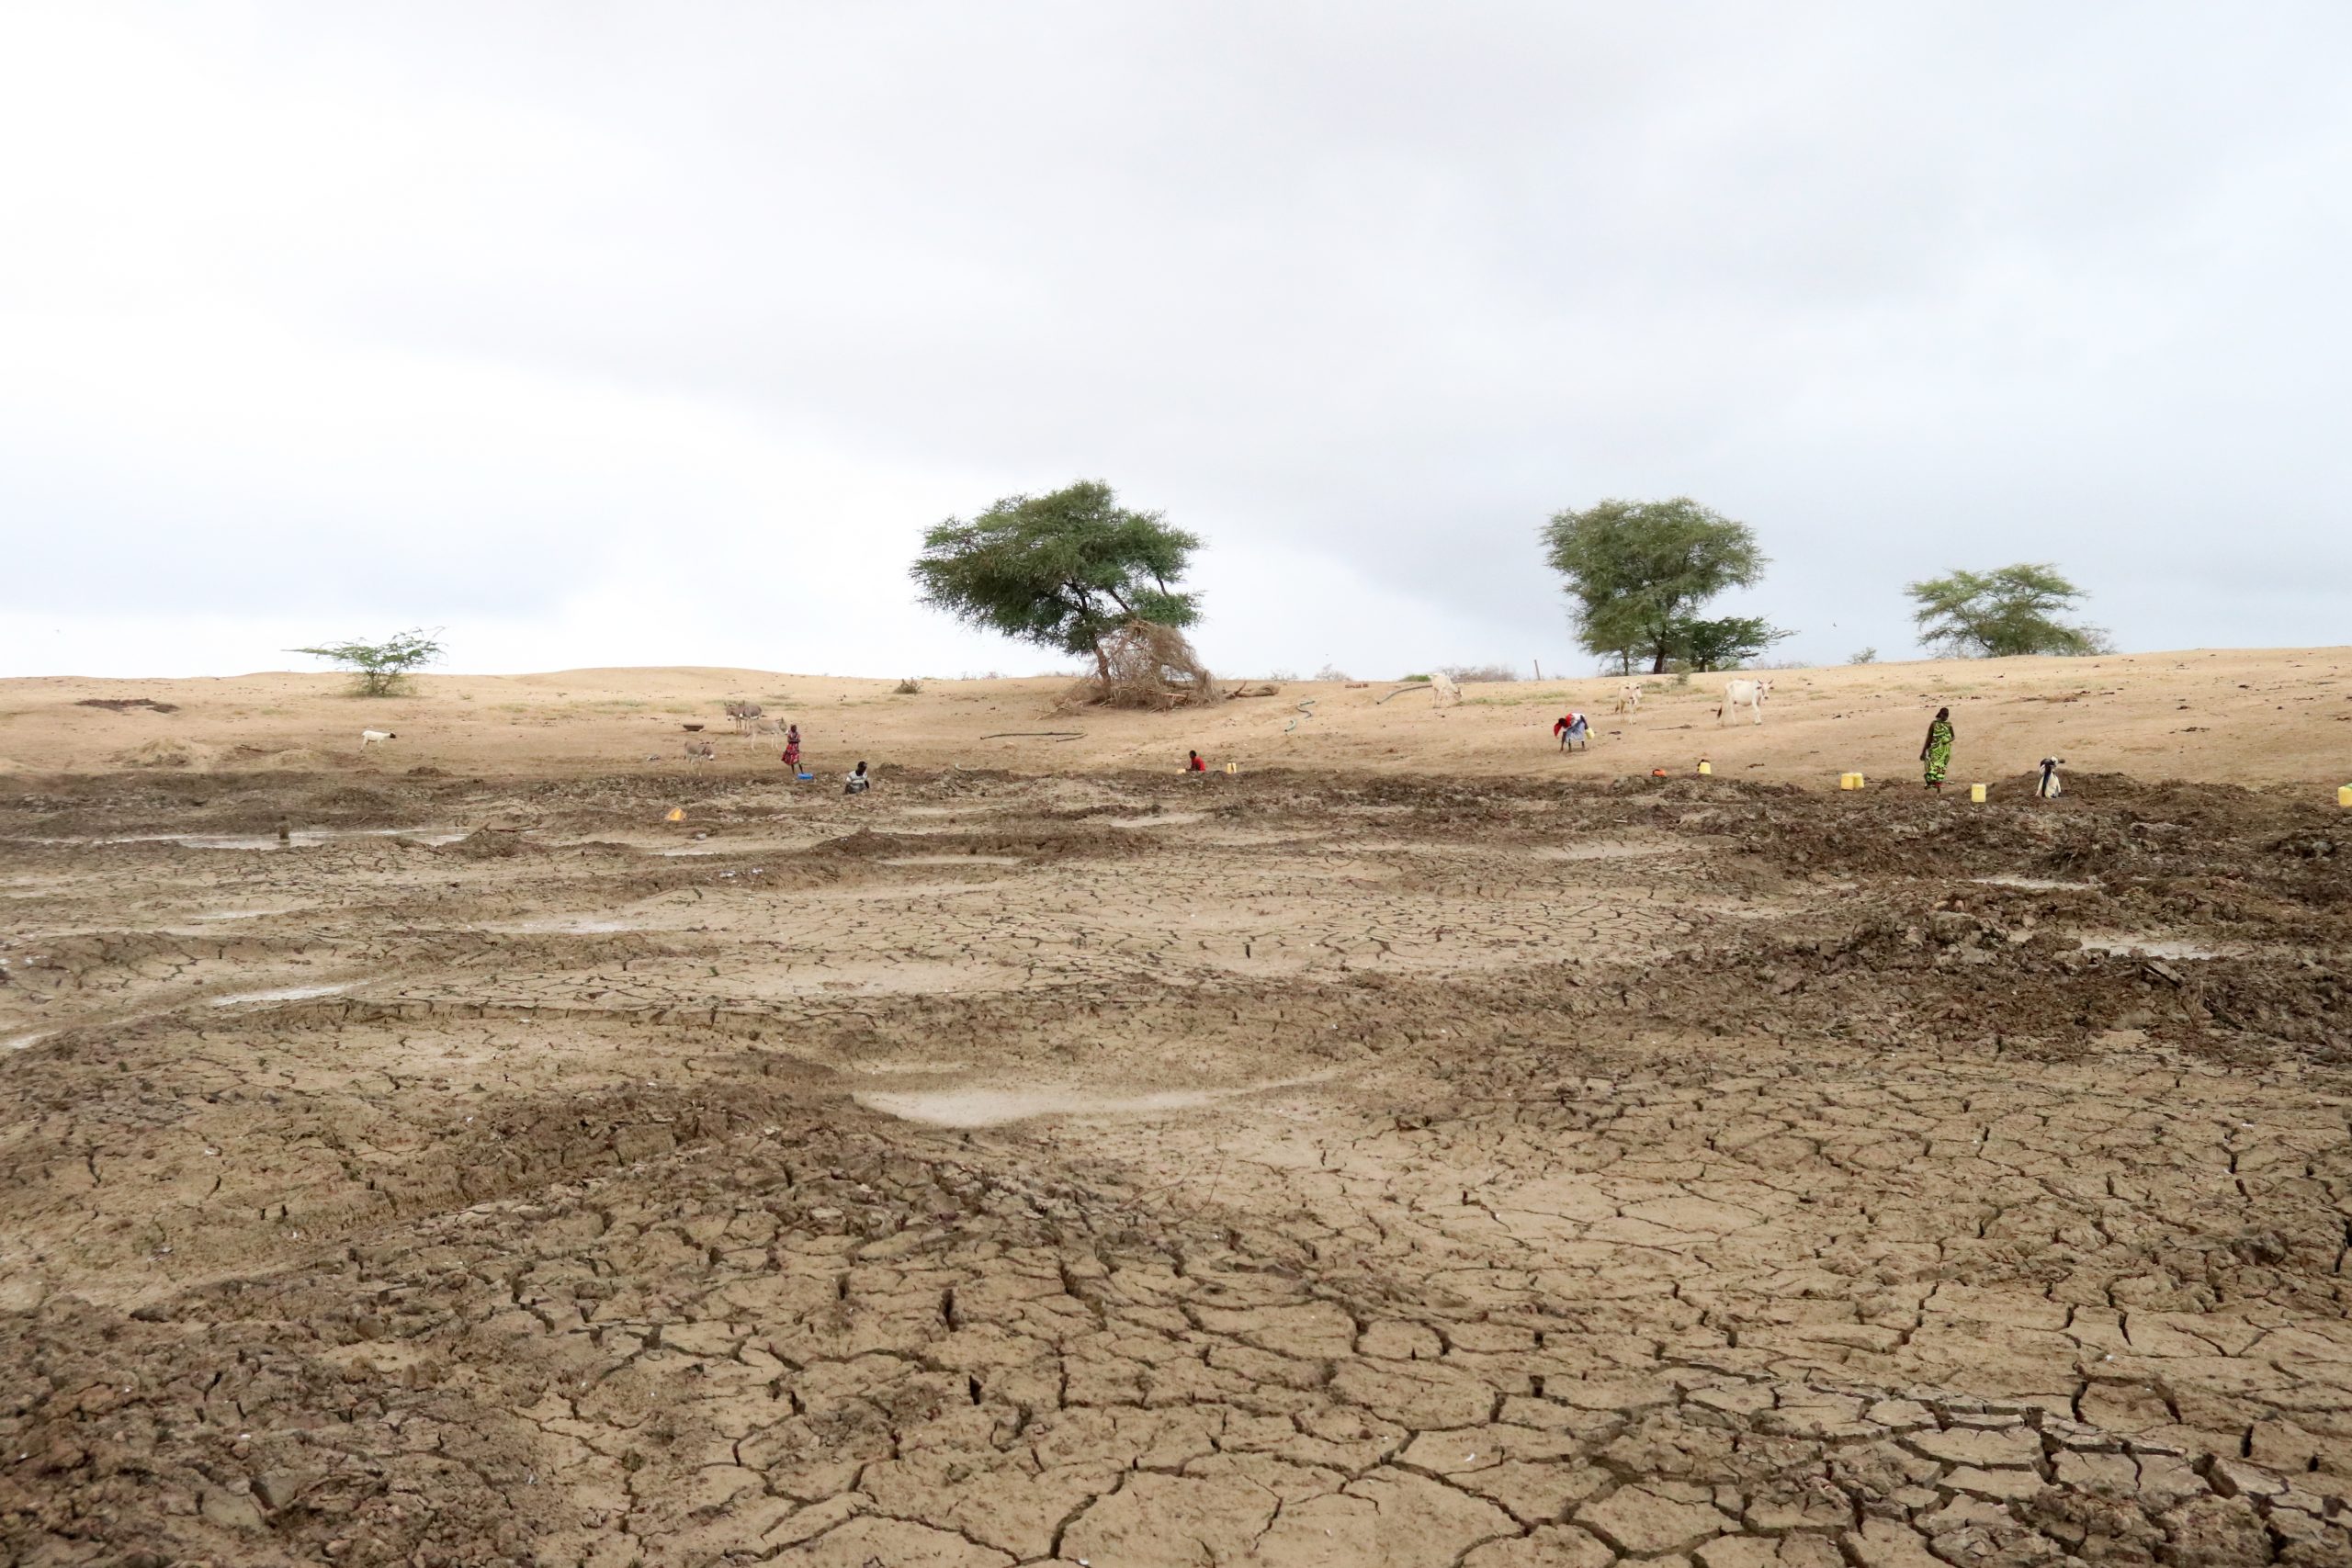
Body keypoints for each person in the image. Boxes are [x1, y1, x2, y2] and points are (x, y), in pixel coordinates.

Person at [1919, 706, 1954, 791]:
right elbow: (1929, 737)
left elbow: (1953, 736)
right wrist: (1923, 751)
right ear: (1940, 714)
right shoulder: (1934, 724)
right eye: (1944, 715)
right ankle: (1931, 782)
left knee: (1941, 767)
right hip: (1935, 749)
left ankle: (1937, 784)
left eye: (1947, 715)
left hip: (1944, 750)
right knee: (1932, 766)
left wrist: (1948, 741)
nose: (1946, 717)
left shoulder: (1949, 725)